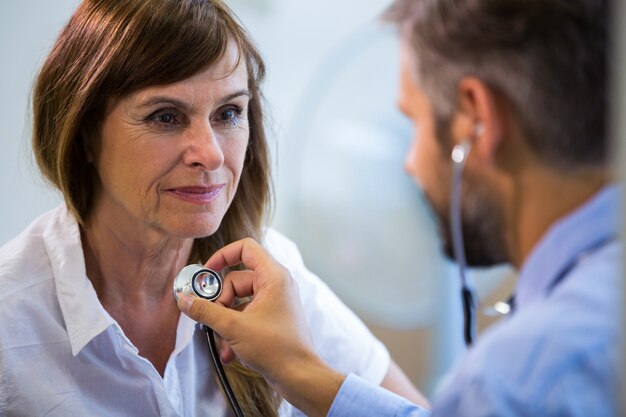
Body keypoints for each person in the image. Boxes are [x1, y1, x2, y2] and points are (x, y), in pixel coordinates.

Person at [177, 0, 622, 416]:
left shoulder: (516, 382)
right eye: (167, 117)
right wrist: (303, 374)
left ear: (477, 119)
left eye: (413, 121)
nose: (407, 163)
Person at [0, 1, 424, 416]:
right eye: (165, 117)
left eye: (228, 113)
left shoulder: (275, 278)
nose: (212, 154)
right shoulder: (11, 321)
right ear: (86, 134)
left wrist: (298, 373)